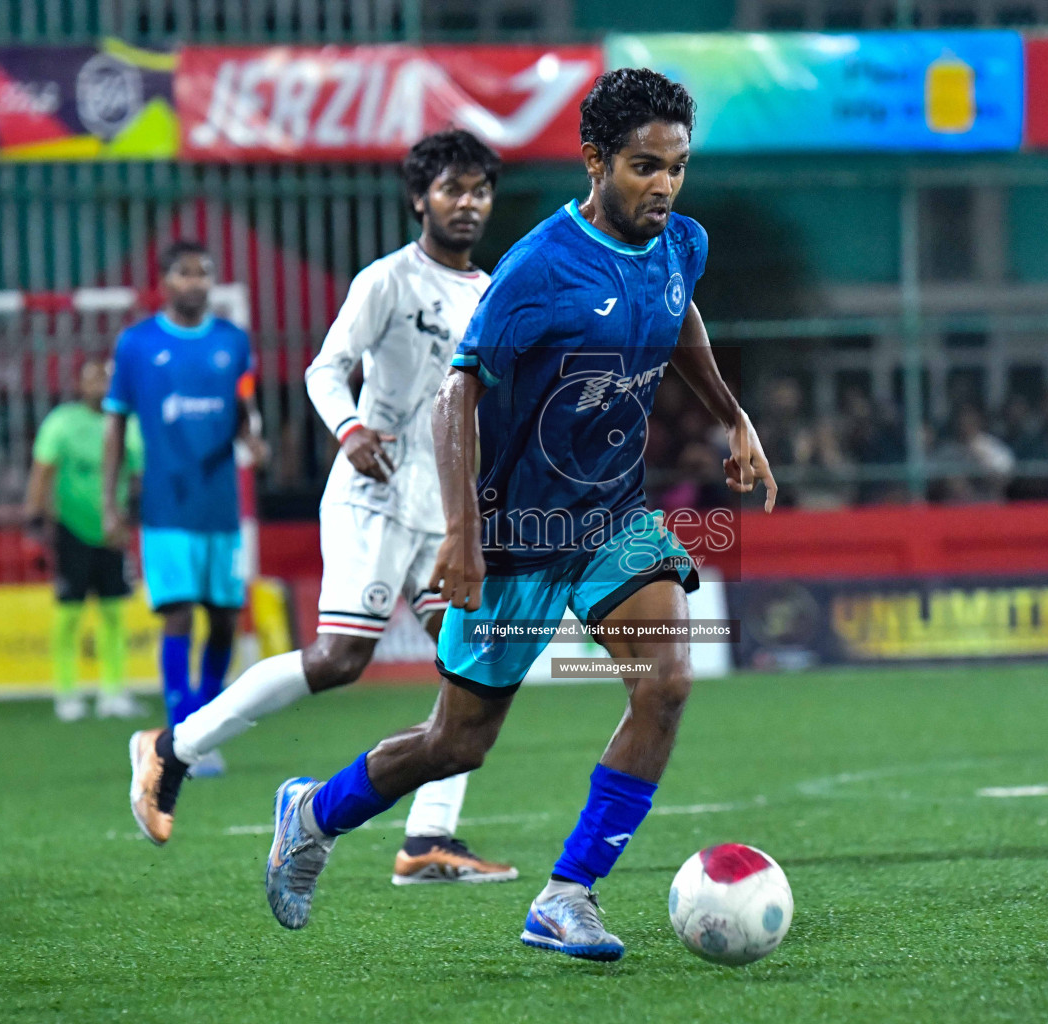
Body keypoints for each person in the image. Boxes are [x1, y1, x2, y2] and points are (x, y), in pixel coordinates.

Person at [259, 69, 777, 960]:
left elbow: (678, 313)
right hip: (515, 536)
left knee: (666, 684)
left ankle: (567, 894)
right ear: (594, 161)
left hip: (612, 518)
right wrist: (463, 537)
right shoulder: (539, 266)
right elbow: (454, 399)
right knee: (456, 742)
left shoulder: (678, 242)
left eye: (677, 167)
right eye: (644, 167)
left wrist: (733, 415)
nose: (664, 186)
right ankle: (313, 813)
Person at [126, 132, 515, 884]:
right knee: (340, 659)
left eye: (479, 191)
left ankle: (428, 840)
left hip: (440, 509)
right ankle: (173, 746)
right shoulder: (387, 282)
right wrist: (352, 430)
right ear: (418, 198)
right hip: (372, 496)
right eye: (450, 189)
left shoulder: (489, 294)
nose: (466, 204)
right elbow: (324, 368)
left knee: (477, 661)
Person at [103, 241, 266, 784]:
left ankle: (204, 722)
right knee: (178, 613)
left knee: (222, 619)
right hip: (165, 506)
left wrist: (253, 440)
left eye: (204, 272)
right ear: (164, 281)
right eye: (184, 273)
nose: (195, 282)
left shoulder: (232, 342)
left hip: (220, 506)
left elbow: (243, 408)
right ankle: (181, 733)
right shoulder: (137, 344)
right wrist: (110, 501)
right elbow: (115, 424)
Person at [24, 360, 146, 722]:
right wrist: (34, 521)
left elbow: (140, 475)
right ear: (79, 384)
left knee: (113, 612)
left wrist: (132, 519)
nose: (100, 384)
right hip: (71, 529)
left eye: (106, 378)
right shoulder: (62, 422)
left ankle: (113, 692)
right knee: (69, 613)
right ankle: (67, 693)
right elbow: (43, 472)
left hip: (112, 531)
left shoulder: (129, 424)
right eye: (92, 377)